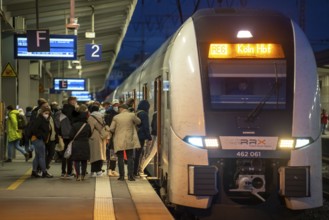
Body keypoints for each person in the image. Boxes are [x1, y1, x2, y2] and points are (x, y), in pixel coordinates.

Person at [109, 104, 141, 181]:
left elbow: (112, 129)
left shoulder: (116, 117)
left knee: (120, 158)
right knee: (130, 157)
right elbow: (139, 122)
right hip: (129, 139)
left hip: (119, 139)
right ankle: (130, 176)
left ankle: (122, 176)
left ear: (121, 109)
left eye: (119, 109)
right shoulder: (132, 115)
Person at [69, 106, 92, 181]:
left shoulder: (74, 125)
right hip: (85, 143)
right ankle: (83, 175)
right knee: (84, 160)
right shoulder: (87, 125)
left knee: (76, 160)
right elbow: (90, 134)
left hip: (76, 144)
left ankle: (78, 175)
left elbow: (71, 135)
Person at [30, 106, 53, 178]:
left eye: (48, 113)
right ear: (42, 113)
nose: (47, 115)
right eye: (46, 113)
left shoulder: (42, 119)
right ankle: (44, 172)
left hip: (38, 139)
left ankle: (34, 171)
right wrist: (41, 136)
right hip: (38, 139)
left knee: (37, 156)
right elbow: (34, 129)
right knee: (42, 156)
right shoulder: (40, 119)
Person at [88, 105, 109, 177]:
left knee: (94, 154)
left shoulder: (91, 117)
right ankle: (98, 170)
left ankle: (95, 171)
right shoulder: (102, 116)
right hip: (102, 136)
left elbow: (90, 129)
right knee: (101, 154)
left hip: (94, 137)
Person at [134, 100, 152, 177]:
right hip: (140, 136)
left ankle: (134, 171)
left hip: (135, 135)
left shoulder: (136, 112)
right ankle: (135, 172)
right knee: (138, 154)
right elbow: (146, 126)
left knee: (136, 154)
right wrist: (149, 137)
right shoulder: (144, 114)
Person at [104, 99, 120, 177]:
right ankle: (110, 169)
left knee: (114, 153)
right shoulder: (109, 114)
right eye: (115, 105)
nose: (116, 106)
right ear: (112, 106)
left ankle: (112, 169)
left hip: (116, 136)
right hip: (111, 136)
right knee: (112, 153)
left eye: (117, 105)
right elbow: (107, 125)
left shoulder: (117, 114)